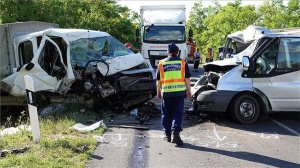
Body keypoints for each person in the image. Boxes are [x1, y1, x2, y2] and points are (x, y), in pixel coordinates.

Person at [156, 42, 192, 146]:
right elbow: (187, 78)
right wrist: (189, 90)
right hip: (179, 93)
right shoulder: (183, 62)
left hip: (166, 93)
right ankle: (176, 134)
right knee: (178, 113)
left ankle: (167, 135)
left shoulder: (161, 63)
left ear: (167, 52)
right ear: (177, 52)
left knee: (166, 113)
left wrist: (158, 91)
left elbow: (158, 80)